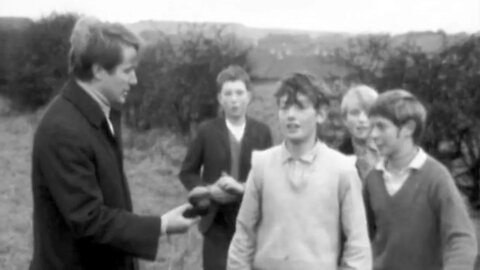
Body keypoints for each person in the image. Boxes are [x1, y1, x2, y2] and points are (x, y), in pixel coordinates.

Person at [30, 17, 198, 270]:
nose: (135, 80)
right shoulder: (63, 130)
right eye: (127, 70)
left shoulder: (101, 112)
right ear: (98, 70)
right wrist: (161, 225)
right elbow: (88, 219)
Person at [227, 73, 371, 270]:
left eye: (300, 107)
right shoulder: (262, 165)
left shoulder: (342, 169)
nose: (291, 115)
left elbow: (358, 246)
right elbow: (243, 236)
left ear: (320, 114)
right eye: (285, 107)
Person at [364, 89, 478, 270]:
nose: (373, 135)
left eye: (381, 126)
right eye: (371, 127)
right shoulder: (372, 180)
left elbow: (461, 238)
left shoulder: (436, 177)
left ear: (408, 128)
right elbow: (362, 238)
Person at [178, 65, 272, 270]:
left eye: (239, 92)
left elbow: (270, 179)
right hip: (216, 221)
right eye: (228, 93)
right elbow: (187, 172)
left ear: (249, 95)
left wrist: (242, 187)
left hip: (252, 221)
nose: (234, 99)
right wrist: (209, 191)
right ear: (220, 98)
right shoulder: (206, 131)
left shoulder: (262, 132)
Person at [339, 85, 380, 181]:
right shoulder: (338, 157)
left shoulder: (392, 152)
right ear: (345, 119)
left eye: (368, 113)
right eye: (355, 113)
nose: (362, 119)